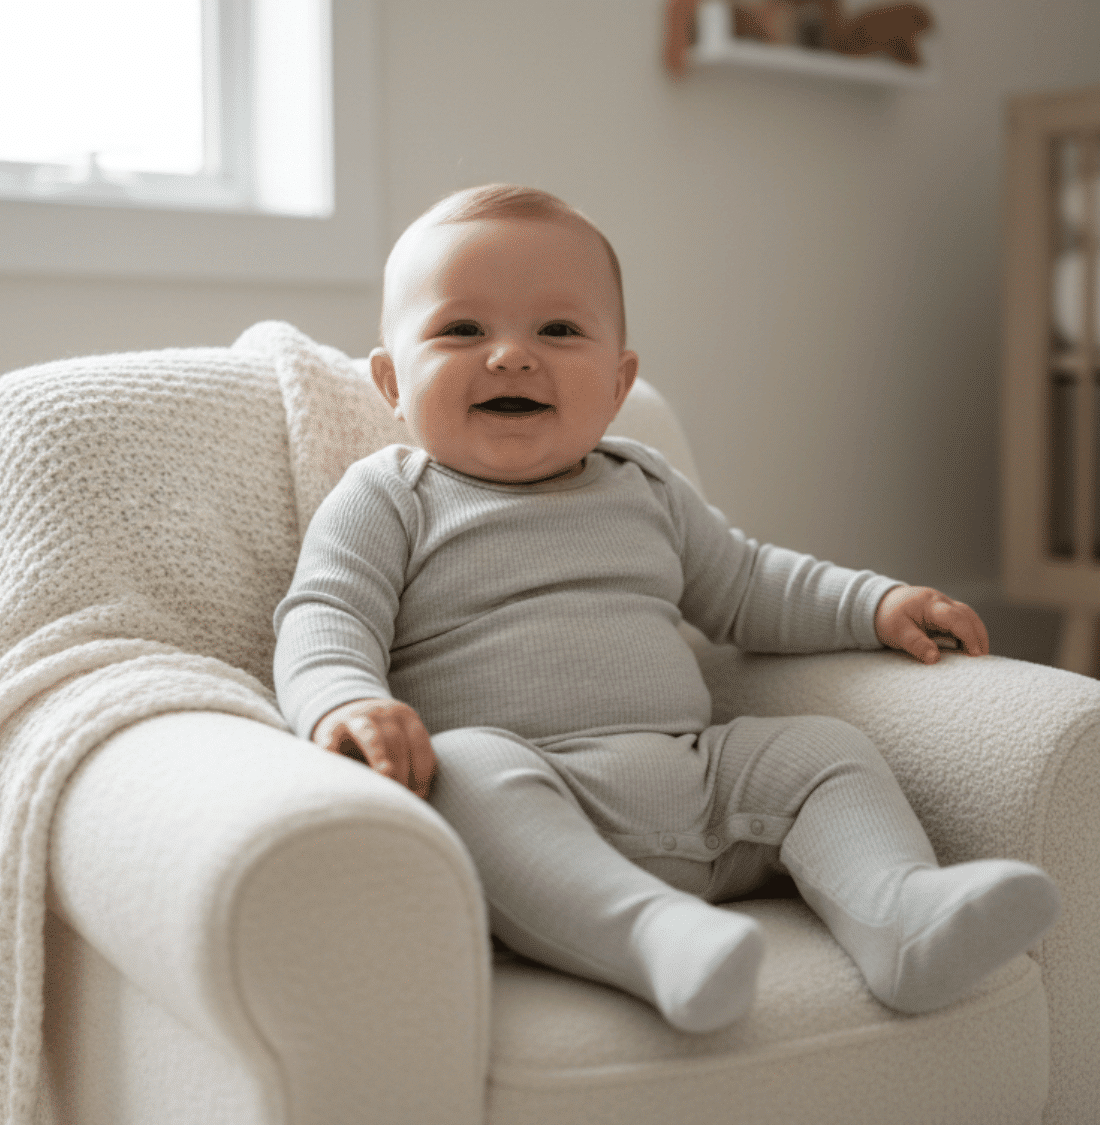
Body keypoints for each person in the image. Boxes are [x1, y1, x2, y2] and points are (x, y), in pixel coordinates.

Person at [272, 184, 1059, 1033]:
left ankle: (902, 916)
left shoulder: (643, 484)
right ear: (391, 381)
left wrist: (874, 603)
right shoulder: (391, 496)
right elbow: (325, 617)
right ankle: (658, 939)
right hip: (540, 798)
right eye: (462, 330)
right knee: (464, 773)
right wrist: (346, 701)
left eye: (559, 330)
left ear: (618, 382)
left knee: (823, 749)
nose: (510, 356)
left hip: (697, 782)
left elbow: (752, 585)